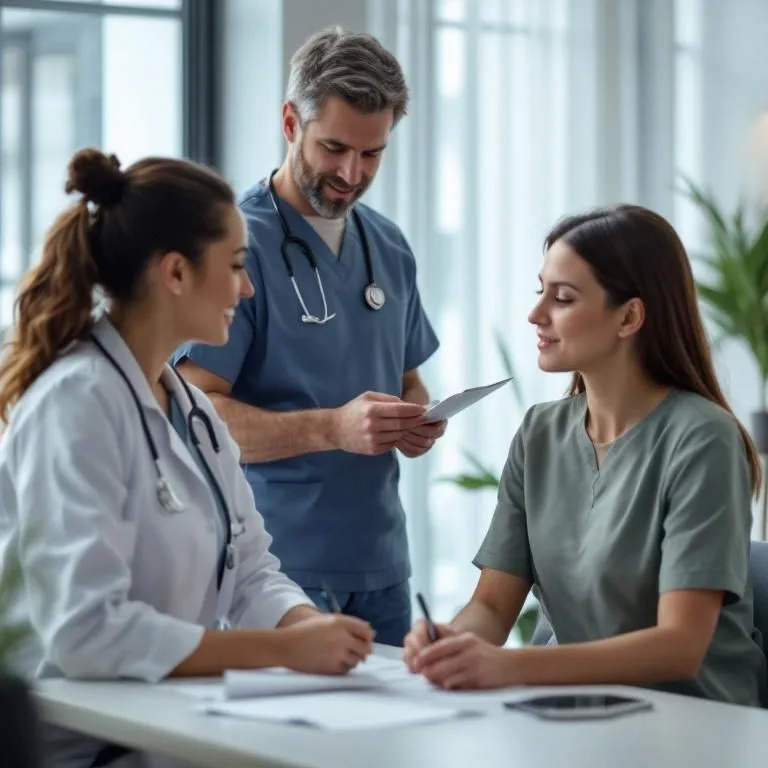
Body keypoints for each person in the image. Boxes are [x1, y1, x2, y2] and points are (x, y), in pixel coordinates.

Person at [0, 148, 375, 768]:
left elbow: (251, 569)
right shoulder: (74, 404)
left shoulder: (193, 412)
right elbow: (87, 631)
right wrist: (277, 653)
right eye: (234, 266)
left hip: (163, 727)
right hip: (78, 746)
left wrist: (307, 627)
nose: (248, 288)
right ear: (175, 272)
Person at [403, 204, 768, 707]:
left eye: (563, 298)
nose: (536, 315)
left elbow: (680, 647)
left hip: (693, 724)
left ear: (630, 316)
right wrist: (451, 642)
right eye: (541, 292)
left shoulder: (704, 438)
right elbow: (491, 606)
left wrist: (511, 666)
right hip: (575, 718)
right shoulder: (539, 433)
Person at [174, 27, 444, 647]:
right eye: (335, 147)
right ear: (291, 122)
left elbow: (407, 376)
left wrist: (419, 417)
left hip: (381, 566)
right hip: (275, 570)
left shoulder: (390, 246)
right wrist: (332, 428)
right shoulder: (237, 242)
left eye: (371, 154)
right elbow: (196, 413)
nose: (351, 173)